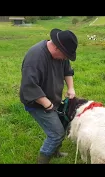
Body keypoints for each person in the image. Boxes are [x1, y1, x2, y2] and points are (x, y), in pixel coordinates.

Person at [19, 28, 78, 164]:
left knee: (62, 125)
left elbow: (67, 70)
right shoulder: (35, 57)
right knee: (57, 133)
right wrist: (47, 104)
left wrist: (71, 88)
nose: (65, 59)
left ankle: (55, 152)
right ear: (56, 47)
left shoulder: (61, 54)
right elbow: (29, 86)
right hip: (37, 103)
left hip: (53, 99)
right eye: (65, 55)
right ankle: (43, 160)